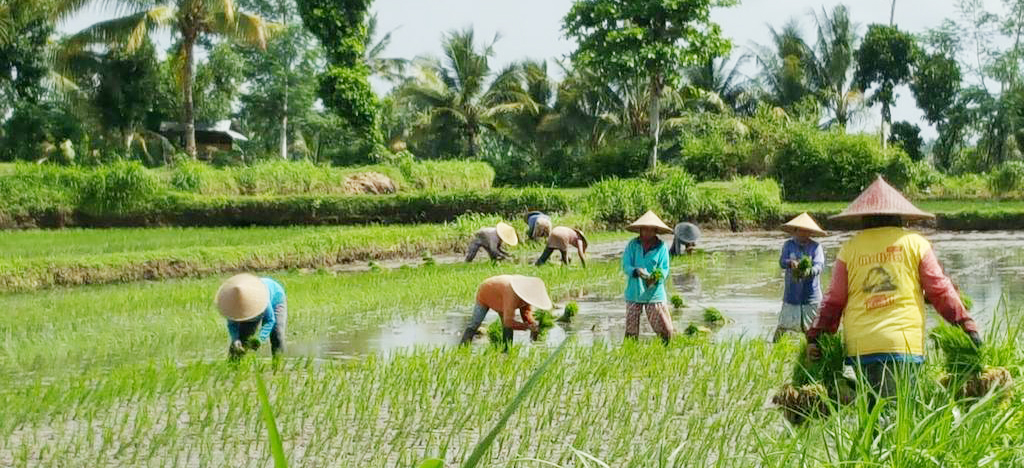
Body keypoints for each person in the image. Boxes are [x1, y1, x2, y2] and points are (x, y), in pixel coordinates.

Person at [806, 177, 981, 402]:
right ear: (900, 216)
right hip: (903, 344)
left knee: (873, 416)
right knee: (898, 420)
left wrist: (815, 336)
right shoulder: (916, 243)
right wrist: (966, 324)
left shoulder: (849, 249)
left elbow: (833, 301)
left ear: (863, 217)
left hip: (862, 347)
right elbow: (939, 290)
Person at [621, 211, 675, 343]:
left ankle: (668, 351)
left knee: (665, 330)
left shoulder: (661, 247)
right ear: (640, 230)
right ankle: (630, 353)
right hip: (634, 292)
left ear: (656, 231)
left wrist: (656, 277)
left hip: (654, 293)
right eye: (645, 229)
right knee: (631, 331)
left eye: (651, 230)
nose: (647, 233)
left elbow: (664, 269)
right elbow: (626, 265)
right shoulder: (633, 245)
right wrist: (636, 271)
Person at [459, 275, 554, 349]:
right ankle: (462, 349)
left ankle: (506, 350)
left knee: (506, 325)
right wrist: (526, 327)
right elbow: (509, 322)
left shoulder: (526, 295)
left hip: (501, 294)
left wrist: (532, 324)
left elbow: (526, 314)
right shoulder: (512, 294)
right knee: (475, 323)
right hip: (486, 292)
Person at [773, 213, 826, 342]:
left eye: (807, 231)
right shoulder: (788, 245)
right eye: (801, 230)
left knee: (814, 330)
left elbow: (819, 266)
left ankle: (815, 351)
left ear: (810, 232)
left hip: (811, 296)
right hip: (792, 295)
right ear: (795, 231)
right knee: (783, 328)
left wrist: (808, 271)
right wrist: (790, 263)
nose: (803, 233)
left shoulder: (815, 247)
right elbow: (781, 262)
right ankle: (775, 350)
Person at [215, 273, 287, 359]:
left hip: (276, 299)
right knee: (242, 338)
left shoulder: (261, 299)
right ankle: (233, 366)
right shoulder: (232, 304)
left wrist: (260, 338)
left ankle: (278, 365)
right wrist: (235, 339)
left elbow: (270, 320)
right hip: (254, 308)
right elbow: (232, 324)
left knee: (277, 334)